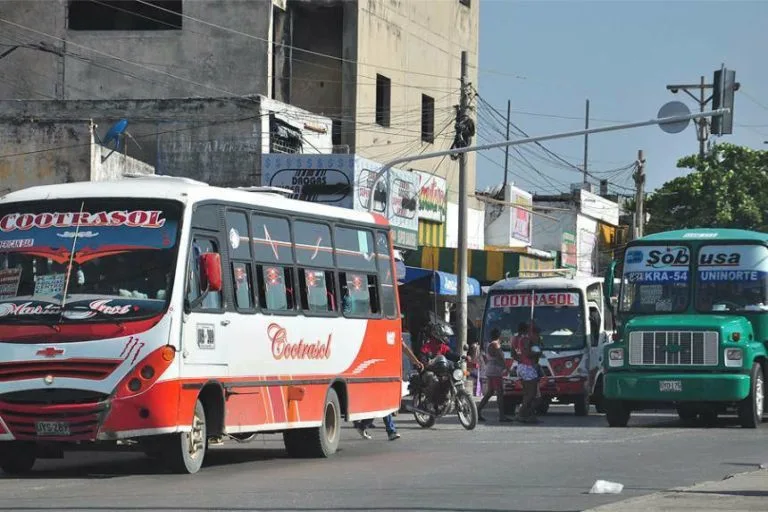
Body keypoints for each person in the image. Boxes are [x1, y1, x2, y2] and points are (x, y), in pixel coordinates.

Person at [355, 335, 424, 441]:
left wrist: (416, 361)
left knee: (380, 403)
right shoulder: (379, 332)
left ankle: (363, 425)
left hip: (389, 370)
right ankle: (390, 430)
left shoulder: (393, 331)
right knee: (384, 402)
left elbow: (403, 347)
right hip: (378, 371)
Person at [476, 328, 510, 423]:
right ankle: (502, 416)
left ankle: (477, 411)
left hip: (490, 368)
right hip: (496, 370)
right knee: (499, 392)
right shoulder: (496, 344)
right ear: (499, 335)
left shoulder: (489, 344)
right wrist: (506, 368)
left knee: (490, 392)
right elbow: (500, 357)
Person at [512, 322, 541, 424]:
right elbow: (528, 353)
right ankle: (521, 413)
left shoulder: (515, 339)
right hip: (528, 367)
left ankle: (528, 415)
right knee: (533, 394)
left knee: (527, 394)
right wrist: (537, 352)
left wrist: (520, 360)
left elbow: (514, 354)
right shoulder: (525, 340)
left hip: (521, 366)